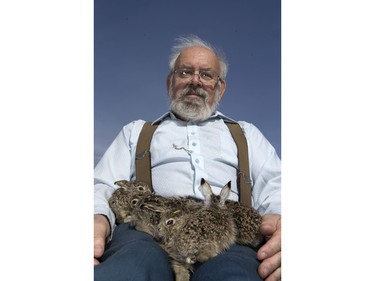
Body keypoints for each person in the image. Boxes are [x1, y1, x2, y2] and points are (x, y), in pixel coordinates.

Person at [94, 35, 281, 281]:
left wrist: (280, 220)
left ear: (220, 87)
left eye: (206, 74)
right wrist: (97, 220)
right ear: (170, 82)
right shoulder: (136, 131)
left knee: (233, 274)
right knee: (131, 267)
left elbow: (276, 185)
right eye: (185, 72)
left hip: (227, 231)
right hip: (148, 229)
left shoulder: (246, 133)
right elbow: (103, 184)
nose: (195, 81)